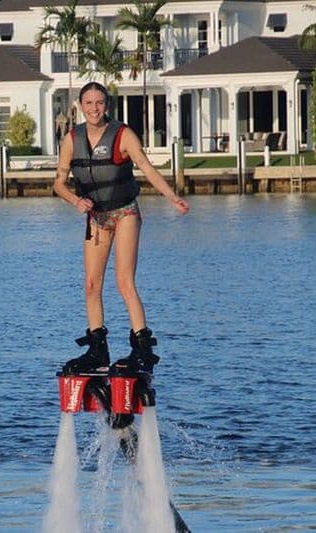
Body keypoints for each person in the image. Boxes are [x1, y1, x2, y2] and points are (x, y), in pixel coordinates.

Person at [53, 81, 189, 375]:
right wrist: (76, 201)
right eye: (88, 103)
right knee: (91, 284)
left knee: (124, 282)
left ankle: (142, 349)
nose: (94, 108)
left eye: (99, 102)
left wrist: (172, 196)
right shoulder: (71, 139)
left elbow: (147, 167)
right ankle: (98, 350)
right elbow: (59, 182)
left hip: (125, 212)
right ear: (80, 106)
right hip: (97, 218)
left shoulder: (123, 134)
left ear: (107, 105)